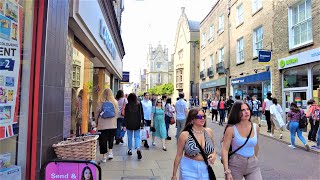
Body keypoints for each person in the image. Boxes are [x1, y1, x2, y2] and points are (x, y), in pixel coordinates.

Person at [221, 101, 262, 180]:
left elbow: (256, 145)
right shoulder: (231, 129)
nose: (246, 112)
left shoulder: (255, 127)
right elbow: (225, 150)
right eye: (243, 110)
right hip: (236, 164)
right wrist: (227, 170)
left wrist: (255, 158)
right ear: (237, 112)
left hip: (252, 164)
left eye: (247, 109)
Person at [171, 108, 216, 180]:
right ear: (192, 119)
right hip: (189, 168)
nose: (202, 118)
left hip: (204, 168)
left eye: (204, 116)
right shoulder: (184, 135)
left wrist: (214, 155)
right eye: (199, 117)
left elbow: (213, 148)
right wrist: (174, 175)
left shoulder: (209, 131)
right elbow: (179, 155)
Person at [96, 88, 118, 162]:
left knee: (103, 140)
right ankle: (110, 152)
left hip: (102, 125)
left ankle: (104, 157)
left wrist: (96, 122)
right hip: (112, 124)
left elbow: (97, 113)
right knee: (111, 138)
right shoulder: (115, 102)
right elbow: (117, 113)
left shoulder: (100, 102)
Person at [123, 93, 144, 159]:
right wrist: (142, 122)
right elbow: (141, 114)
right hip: (137, 123)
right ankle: (138, 148)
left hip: (129, 123)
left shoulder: (127, 105)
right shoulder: (139, 104)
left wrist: (124, 125)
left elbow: (125, 116)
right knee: (137, 137)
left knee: (129, 137)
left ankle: (130, 150)